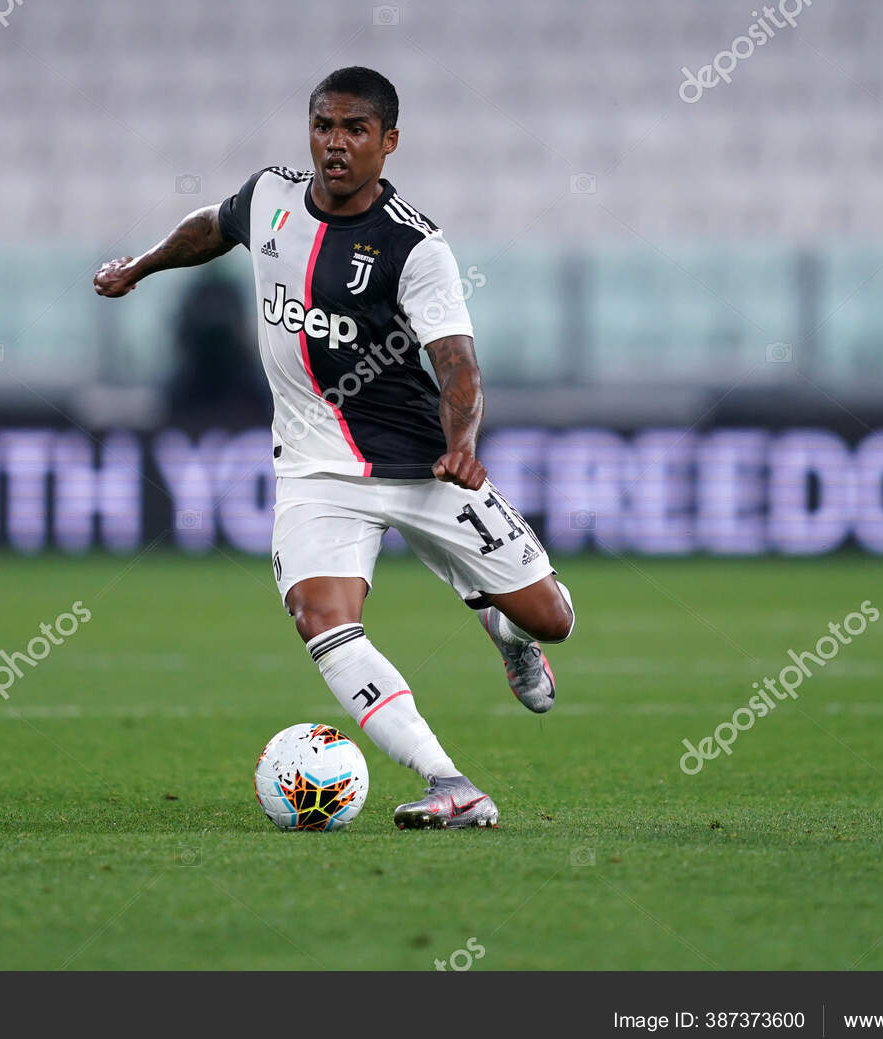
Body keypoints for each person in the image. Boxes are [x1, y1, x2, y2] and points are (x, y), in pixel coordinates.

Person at [93, 66, 575, 828]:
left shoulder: (415, 246)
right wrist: (141, 266)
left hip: (422, 462)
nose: (336, 143)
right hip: (316, 469)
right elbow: (211, 226)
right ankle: (449, 782)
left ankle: (508, 633)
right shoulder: (270, 198)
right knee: (321, 617)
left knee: (552, 618)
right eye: (324, 125)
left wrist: (463, 443)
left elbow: (457, 365)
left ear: (388, 142)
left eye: (355, 130)